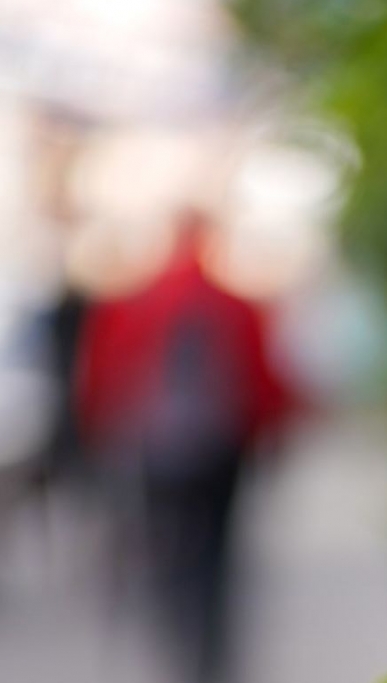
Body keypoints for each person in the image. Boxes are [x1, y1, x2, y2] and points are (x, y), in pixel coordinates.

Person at [74, 208, 291, 683]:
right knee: (215, 557)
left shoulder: (135, 301)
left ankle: (177, 650)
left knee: (165, 554)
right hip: (221, 448)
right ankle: (209, 656)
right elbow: (265, 380)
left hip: (155, 452)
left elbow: (101, 377)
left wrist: (100, 441)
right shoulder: (234, 304)